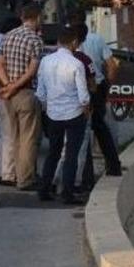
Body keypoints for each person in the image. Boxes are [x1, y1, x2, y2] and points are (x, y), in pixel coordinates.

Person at [36, 26, 90, 204]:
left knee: (53, 152)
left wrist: (48, 104)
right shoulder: (76, 64)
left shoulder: (45, 61)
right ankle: (67, 192)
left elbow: (40, 91)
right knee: (71, 155)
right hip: (74, 114)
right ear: (74, 42)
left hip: (53, 114)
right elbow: (83, 95)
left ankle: (44, 189)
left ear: (59, 42)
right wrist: (86, 107)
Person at [0, 3, 43, 191]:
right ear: (37, 17)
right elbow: (32, 71)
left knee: (14, 136)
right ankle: (26, 179)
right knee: (29, 138)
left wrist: (7, 85)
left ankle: (14, 175)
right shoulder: (35, 40)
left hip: (8, 95)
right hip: (25, 92)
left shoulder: (8, 36)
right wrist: (15, 86)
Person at [69, 11, 121, 176]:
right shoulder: (97, 39)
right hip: (97, 88)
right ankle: (114, 166)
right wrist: (107, 87)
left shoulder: (66, 41)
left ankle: (86, 174)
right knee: (100, 128)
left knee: (81, 134)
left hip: (76, 90)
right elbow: (112, 65)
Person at [0, 16, 22, 186]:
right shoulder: (2, 42)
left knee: (5, 133)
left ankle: (2, 172)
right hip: (1, 93)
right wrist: (3, 84)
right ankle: (8, 174)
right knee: (10, 134)